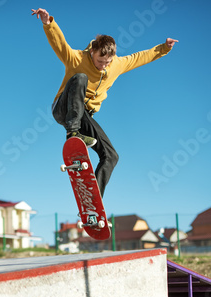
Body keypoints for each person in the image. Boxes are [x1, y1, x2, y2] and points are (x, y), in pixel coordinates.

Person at [32, 8, 178, 198]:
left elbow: (140, 57)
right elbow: (60, 44)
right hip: (63, 108)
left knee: (111, 156)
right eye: (100, 61)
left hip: (84, 115)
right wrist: (48, 23)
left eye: (107, 62)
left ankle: (93, 200)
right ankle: (73, 135)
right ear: (92, 51)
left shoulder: (116, 65)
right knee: (81, 78)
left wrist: (164, 48)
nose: (103, 66)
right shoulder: (76, 59)